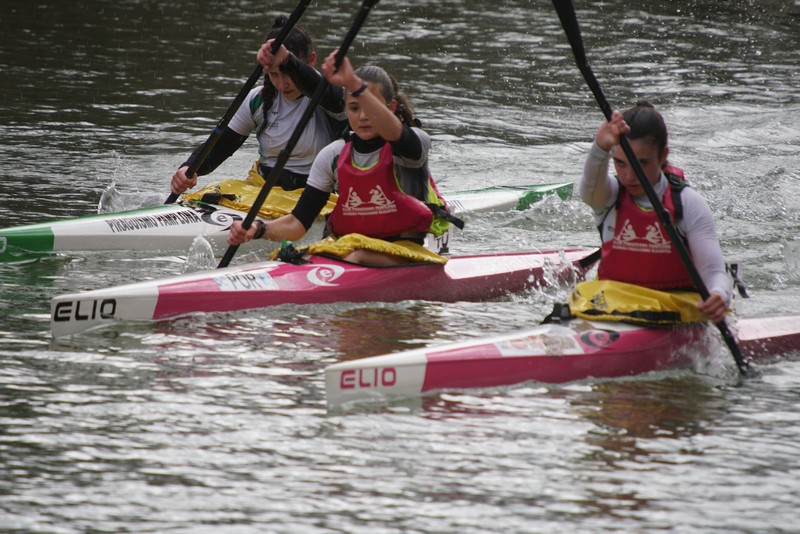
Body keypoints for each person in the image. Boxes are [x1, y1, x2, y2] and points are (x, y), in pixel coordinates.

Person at [227, 51, 457, 266]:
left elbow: (396, 133)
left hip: (404, 252)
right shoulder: (333, 154)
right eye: (354, 108)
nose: (363, 116)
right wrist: (257, 228)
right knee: (294, 256)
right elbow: (297, 224)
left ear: (391, 107)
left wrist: (353, 84)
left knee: (355, 255)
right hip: (349, 251)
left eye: (371, 106)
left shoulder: (413, 144)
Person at [578, 101, 731, 323]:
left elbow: (715, 273)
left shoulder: (687, 204)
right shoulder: (609, 195)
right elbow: (587, 191)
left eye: (642, 163)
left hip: (671, 310)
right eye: (620, 164)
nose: (629, 176)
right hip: (610, 306)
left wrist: (719, 294)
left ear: (663, 156)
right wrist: (599, 148)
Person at [170, 15, 346, 198]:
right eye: (274, 74)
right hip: (264, 188)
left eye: (288, 74)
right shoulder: (257, 99)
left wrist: (287, 60)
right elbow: (220, 147)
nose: (282, 84)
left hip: (316, 194)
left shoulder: (329, 94)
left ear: (311, 60)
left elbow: (334, 99)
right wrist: (189, 168)